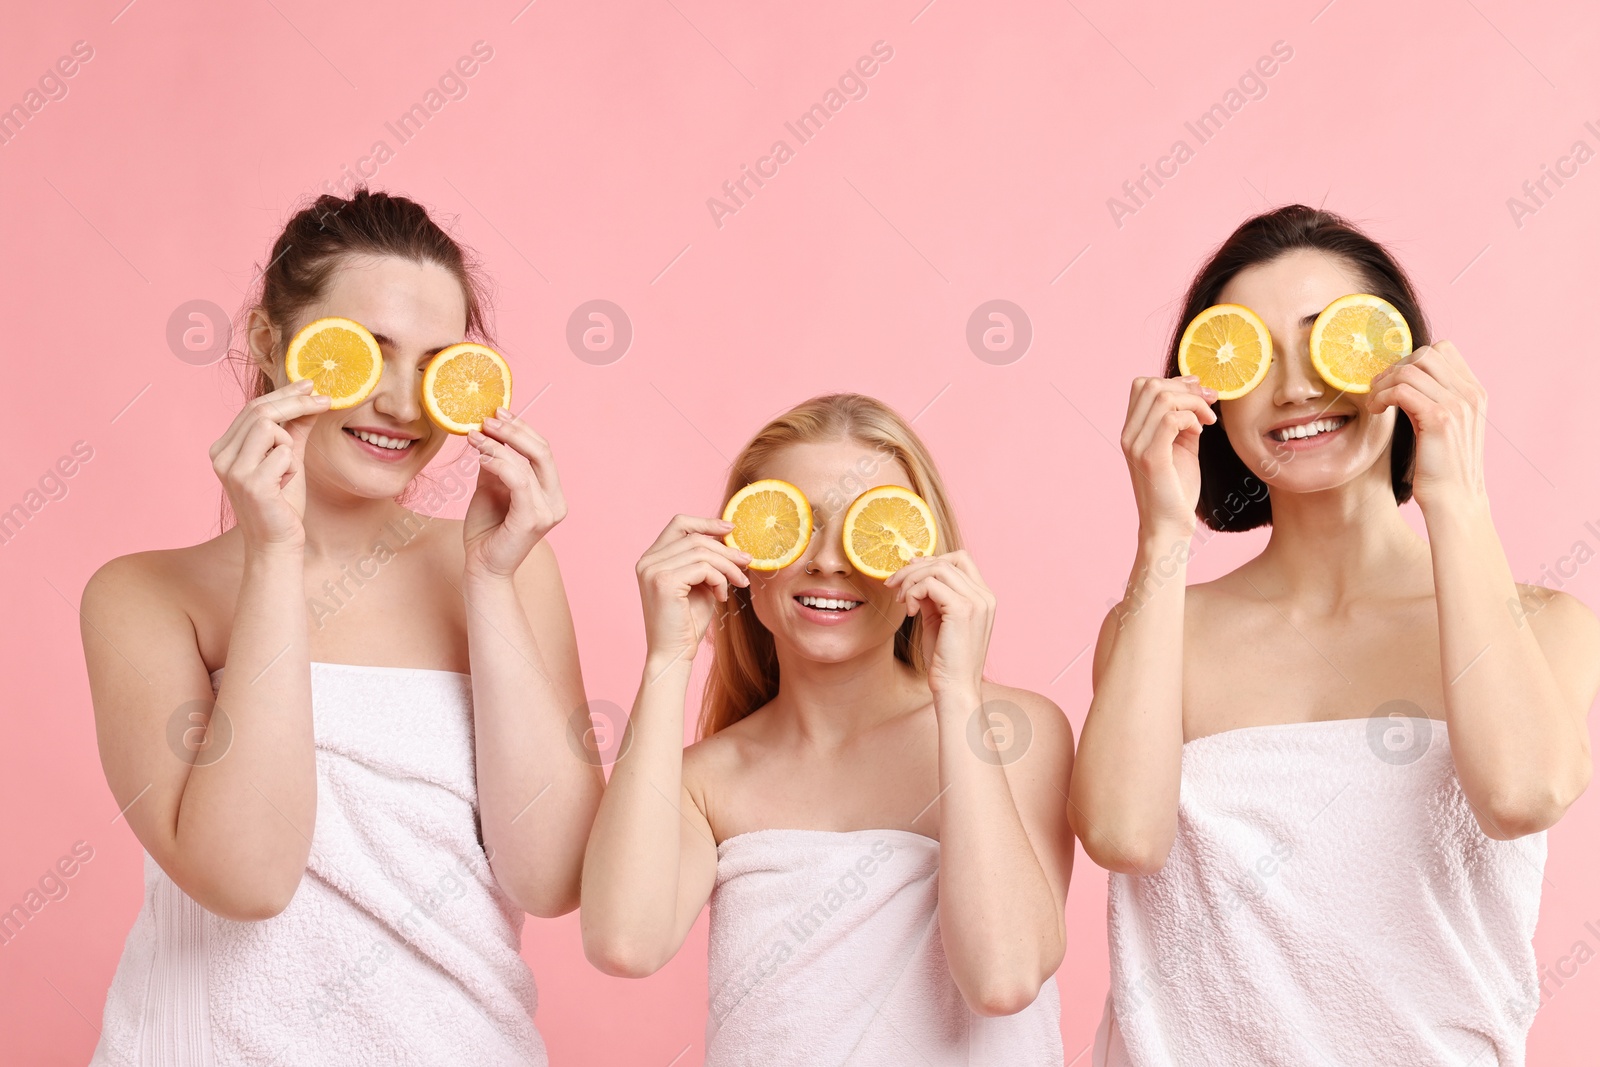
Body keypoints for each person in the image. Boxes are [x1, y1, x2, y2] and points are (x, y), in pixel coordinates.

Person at [1069, 204, 1599, 1066]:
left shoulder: (1547, 625)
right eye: (1251, 354)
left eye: (1331, 341)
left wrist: (1456, 496)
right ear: (1207, 391)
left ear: (1407, 366)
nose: (1296, 388)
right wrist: (1162, 535)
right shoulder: (1164, 626)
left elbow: (1522, 792)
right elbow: (1124, 836)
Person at [80, 188, 601, 1065]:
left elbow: (551, 876)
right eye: (363, 352)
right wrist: (276, 556)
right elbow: (247, 877)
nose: (401, 402)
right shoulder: (143, 597)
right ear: (270, 346)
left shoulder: (509, 568)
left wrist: (491, 580)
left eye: (435, 364)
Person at [579, 393, 1074, 1065]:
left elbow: (1003, 977)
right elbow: (623, 942)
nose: (830, 560)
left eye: (866, 528)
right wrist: (668, 656)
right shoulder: (707, 782)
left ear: (922, 552)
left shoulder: (1013, 731)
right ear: (743, 553)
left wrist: (957, 689)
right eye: (795, 525)